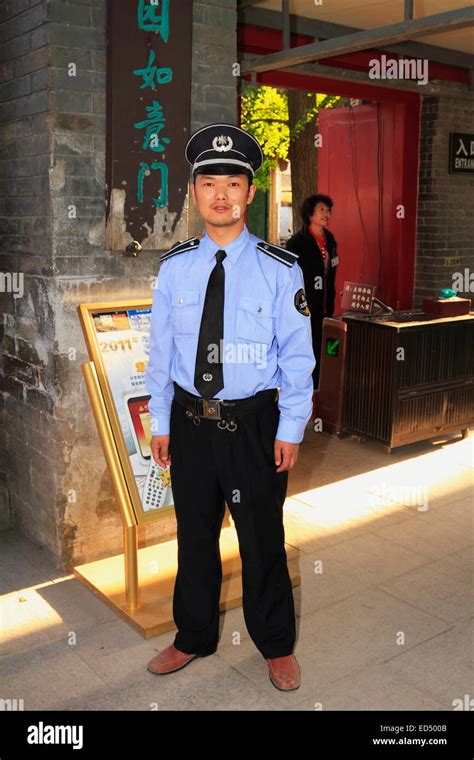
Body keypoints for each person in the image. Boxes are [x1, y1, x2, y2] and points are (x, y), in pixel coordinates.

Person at [144, 123, 315, 691]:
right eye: (209, 182)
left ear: (250, 191)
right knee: (193, 535)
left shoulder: (279, 268)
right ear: (193, 192)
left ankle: (275, 644)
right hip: (191, 424)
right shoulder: (175, 268)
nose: (221, 194)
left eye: (233, 182)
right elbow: (162, 354)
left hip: (253, 425)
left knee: (262, 536)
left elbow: (297, 357)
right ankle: (193, 635)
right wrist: (162, 420)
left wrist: (291, 427)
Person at [286, 194, 339, 399]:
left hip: (326, 304)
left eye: (328, 211)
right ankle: (302, 391)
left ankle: (320, 390)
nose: (326, 215)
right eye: (321, 211)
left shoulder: (330, 240)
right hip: (305, 307)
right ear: (310, 214)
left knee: (323, 346)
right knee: (305, 347)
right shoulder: (298, 243)